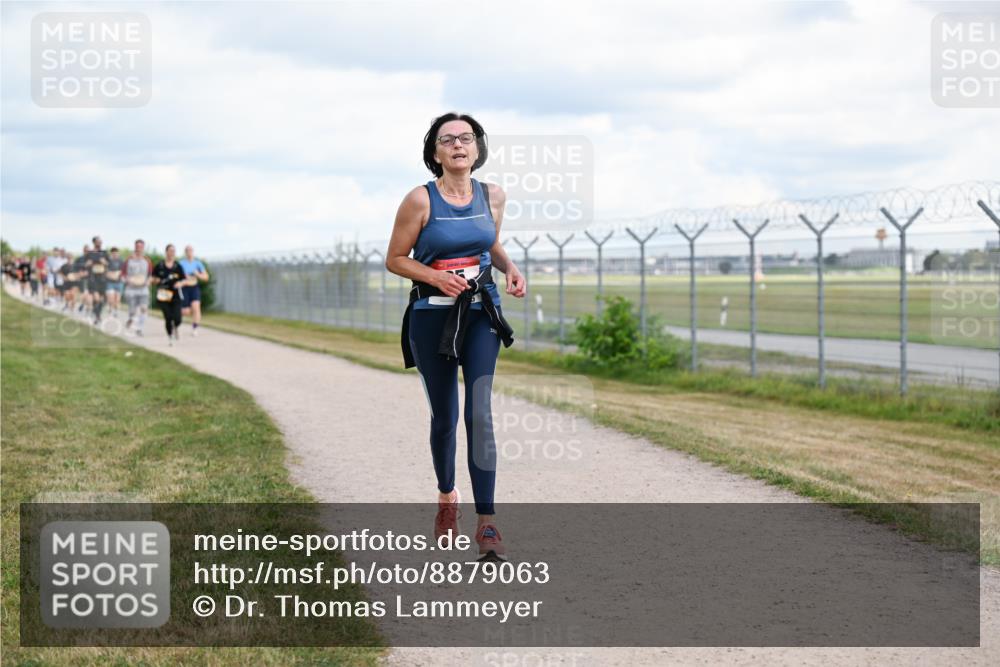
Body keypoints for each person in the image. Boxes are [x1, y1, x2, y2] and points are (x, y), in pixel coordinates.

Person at [385, 112, 525, 561]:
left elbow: (490, 243)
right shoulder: (419, 201)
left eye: (466, 138)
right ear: (435, 152)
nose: (459, 146)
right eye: (448, 140)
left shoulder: (493, 196)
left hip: (481, 311)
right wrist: (436, 278)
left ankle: (488, 523)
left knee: (479, 413)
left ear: (478, 149)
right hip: (431, 316)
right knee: (445, 418)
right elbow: (395, 258)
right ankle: (447, 497)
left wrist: (511, 268)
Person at [151, 243, 187, 345]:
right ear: (166, 252)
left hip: (176, 294)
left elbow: (184, 280)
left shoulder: (178, 266)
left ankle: (176, 326)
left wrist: (180, 283)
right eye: (170, 251)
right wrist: (155, 280)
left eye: (174, 251)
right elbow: (152, 279)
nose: (172, 253)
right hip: (163, 294)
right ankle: (170, 336)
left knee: (177, 318)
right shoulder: (160, 265)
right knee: (168, 316)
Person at [123, 239, 153, 336]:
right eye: (137, 246)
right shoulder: (129, 259)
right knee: (133, 310)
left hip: (143, 288)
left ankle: (139, 329)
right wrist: (127, 280)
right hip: (131, 288)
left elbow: (150, 274)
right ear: (135, 247)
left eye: (141, 247)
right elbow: (123, 274)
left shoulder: (147, 260)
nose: (139, 248)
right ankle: (131, 318)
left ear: (143, 248)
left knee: (144, 308)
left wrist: (149, 281)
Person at [178, 245, 209, 336]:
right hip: (184, 288)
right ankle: (175, 320)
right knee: (185, 311)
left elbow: (206, 277)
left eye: (191, 250)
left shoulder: (198, 263)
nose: (189, 252)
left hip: (194, 287)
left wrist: (198, 274)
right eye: (187, 250)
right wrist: (183, 277)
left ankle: (195, 328)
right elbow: (176, 276)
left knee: (196, 307)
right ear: (185, 252)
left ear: (193, 252)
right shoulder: (181, 263)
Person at [84, 236, 110, 324]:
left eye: (101, 241)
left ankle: (96, 314)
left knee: (102, 299)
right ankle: (97, 316)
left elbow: (109, 264)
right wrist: (88, 264)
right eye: (98, 241)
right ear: (94, 242)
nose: (100, 243)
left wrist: (104, 262)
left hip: (102, 279)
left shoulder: (104, 253)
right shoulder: (89, 253)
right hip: (93, 278)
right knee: (96, 298)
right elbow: (85, 265)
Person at [104, 247, 125, 317]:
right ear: (111, 254)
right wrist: (111, 275)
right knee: (111, 299)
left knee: (117, 299)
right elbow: (106, 271)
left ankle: (116, 311)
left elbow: (123, 271)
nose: (115, 255)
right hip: (110, 283)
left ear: (118, 253)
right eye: (113, 253)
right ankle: (110, 307)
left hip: (119, 283)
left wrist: (117, 273)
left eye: (116, 253)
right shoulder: (108, 261)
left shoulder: (121, 261)